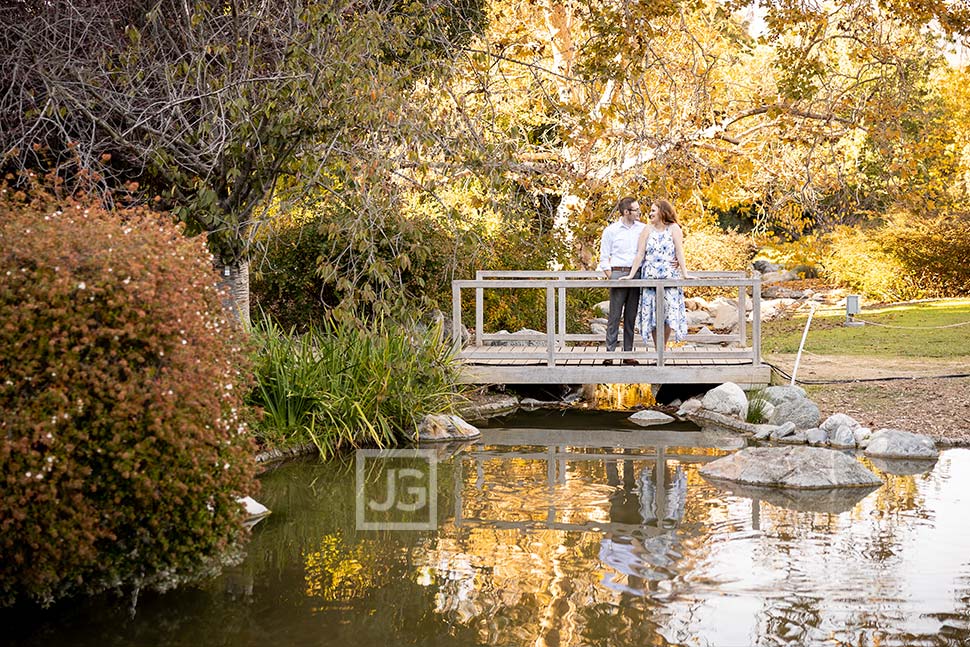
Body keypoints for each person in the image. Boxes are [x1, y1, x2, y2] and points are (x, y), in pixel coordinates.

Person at [622, 199, 689, 351]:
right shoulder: (647, 229)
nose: (650, 213)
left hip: (669, 276)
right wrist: (631, 275)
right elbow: (640, 254)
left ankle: (662, 348)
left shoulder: (674, 228)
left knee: (667, 313)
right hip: (650, 276)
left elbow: (679, 252)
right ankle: (658, 349)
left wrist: (685, 273)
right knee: (652, 314)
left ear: (662, 211)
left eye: (653, 210)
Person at [597, 197, 646, 365]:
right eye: (636, 210)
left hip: (636, 274)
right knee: (614, 316)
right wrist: (611, 276)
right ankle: (609, 353)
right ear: (626, 212)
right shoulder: (611, 231)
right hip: (618, 273)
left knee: (631, 316)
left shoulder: (643, 229)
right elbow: (604, 257)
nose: (640, 212)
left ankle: (627, 353)